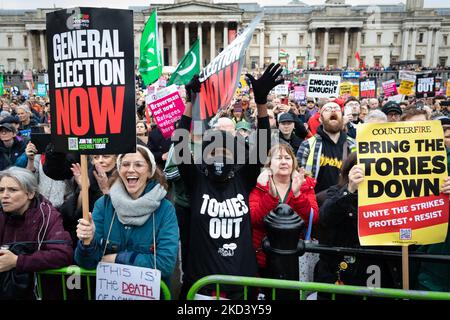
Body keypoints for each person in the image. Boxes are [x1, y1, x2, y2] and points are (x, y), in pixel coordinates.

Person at [174, 63, 282, 299]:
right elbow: (180, 145)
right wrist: (190, 102)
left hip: (241, 284)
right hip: (202, 286)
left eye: (226, 152)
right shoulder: (196, 181)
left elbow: (262, 146)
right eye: (213, 152)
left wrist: (261, 103)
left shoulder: (243, 180)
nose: (219, 156)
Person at [74, 145, 179, 284]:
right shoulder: (103, 205)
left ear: (150, 172)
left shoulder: (165, 210)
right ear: (119, 169)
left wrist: (118, 258)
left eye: (138, 165)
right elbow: (86, 263)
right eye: (125, 164)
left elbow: (165, 264)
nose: (130, 169)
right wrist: (88, 242)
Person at [314, 153, 401, 299]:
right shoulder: (334, 193)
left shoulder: (391, 197)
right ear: (348, 173)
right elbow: (326, 217)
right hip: (340, 276)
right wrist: (350, 189)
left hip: (376, 275)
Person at [0, 167, 73, 299]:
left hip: (37, 292)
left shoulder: (48, 216)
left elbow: (63, 254)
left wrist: (17, 261)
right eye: (1, 190)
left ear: (30, 193)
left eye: (12, 190)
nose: (4, 195)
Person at [249, 144, 318, 276]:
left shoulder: (304, 184)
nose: (284, 162)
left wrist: (298, 195)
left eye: (287, 158)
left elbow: (312, 218)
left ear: (293, 162)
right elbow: (253, 220)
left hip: (295, 256)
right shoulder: (260, 185)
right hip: (264, 257)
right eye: (278, 158)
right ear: (269, 164)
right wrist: (270, 197)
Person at [297, 101, 356, 204]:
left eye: (337, 109)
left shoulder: (353, 145)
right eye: (327, 109)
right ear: (320, 119)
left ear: (342, 118)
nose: (333, 110)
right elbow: (298, 178)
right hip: (316, 204)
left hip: (346, 203)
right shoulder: (307, 145)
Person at [59, 154, 118, 246]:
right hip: (88, 238)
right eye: (96, 157)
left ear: (116, 159)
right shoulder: (89, 176)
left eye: (106, 157)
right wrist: (84, 189)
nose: (100, 161)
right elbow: (73, 216)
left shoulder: (124, 178)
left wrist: (106, 190)